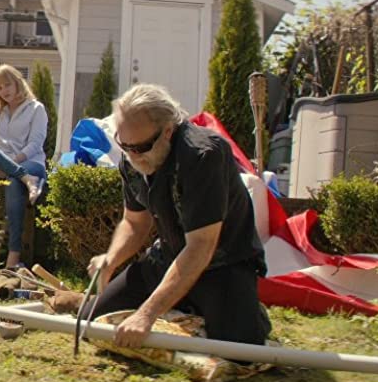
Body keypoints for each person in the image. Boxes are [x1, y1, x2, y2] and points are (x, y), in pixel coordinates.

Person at [83, 83, 271, 350]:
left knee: (241, 350)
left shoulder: (203, 155)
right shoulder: (132, 155)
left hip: (222, 264)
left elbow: (201, 246)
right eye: (125, 146)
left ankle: (243, 311)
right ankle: (181, 302)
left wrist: (147, 314)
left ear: (168, 131)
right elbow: (135, 223)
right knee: (96, 320)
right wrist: (110, 259)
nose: (134, 156)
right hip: (170, 256)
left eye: (142, 147)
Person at [0, 64, 47, 269]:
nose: (5, 91)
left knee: (13, 183)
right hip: (12, 168)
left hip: (31, 164)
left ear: (17, 83)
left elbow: (36, 144)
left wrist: (12, 166)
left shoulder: (36, 108)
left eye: (7, 84)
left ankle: (13, 256)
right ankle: (25, 178)